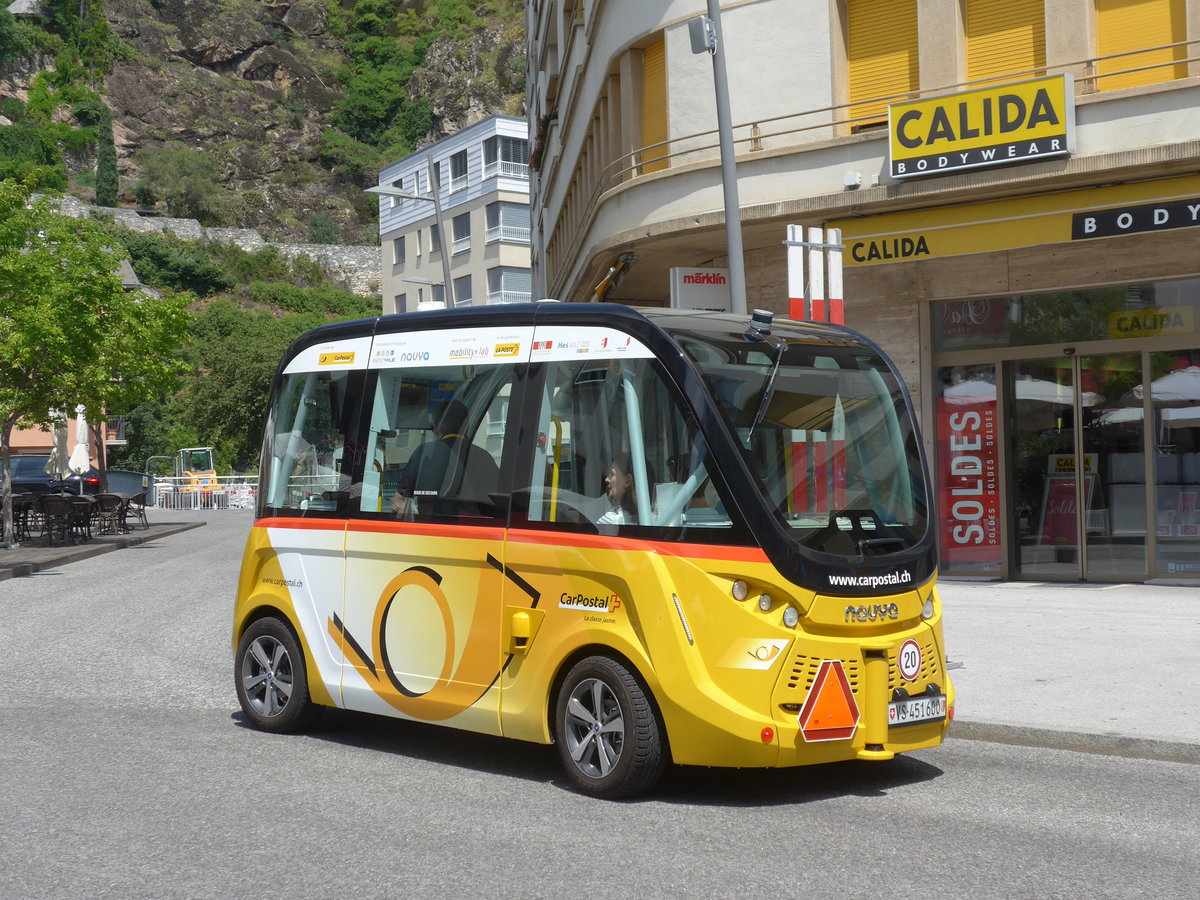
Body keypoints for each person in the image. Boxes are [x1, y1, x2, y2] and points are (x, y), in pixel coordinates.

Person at [597, 453, 639, 525]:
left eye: (612, 474)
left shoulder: (610, 520)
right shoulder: (650, 516)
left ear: (627, 481)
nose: (607, 479)